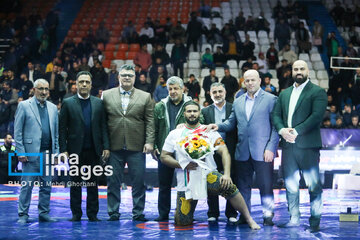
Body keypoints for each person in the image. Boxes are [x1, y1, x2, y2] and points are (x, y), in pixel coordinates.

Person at [160, 101, 260, 229]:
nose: (192, 114)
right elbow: (164, 156)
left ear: (199, 113)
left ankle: (249, 219)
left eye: (195, 111)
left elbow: (224, 152)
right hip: (186, 182)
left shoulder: (209, 131)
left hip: (208, 176)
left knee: (229, 186)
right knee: (182, 222)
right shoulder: (175, 133)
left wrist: (227, 174)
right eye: (189, 111)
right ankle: (179, 213)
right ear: (184, 113)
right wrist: (181, 164)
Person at [206, 70, 279, 226]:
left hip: (263, 151)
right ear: (243, 83)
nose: (250, 83)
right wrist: (217, 126)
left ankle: (268, 216)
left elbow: (276, 127)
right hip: (242, 152)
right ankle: (245, 217)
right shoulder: (238, 101)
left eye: (253, 80)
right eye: (247, 80)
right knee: (242, 187)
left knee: (265, 186)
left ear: (260, 80)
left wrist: (271, 148)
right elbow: (231, 123)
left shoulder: (272, 99)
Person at [271, 60, 327, 232]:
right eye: (296, 69)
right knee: (290, 185)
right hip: (288, 147)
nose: (299, 71)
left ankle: (315, 220)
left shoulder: (317, 92)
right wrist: (282, 130)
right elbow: (276, 115)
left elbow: (316, 116)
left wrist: (295, 131)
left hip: (308, 146)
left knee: (314, 185)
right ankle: (294, 218)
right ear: (292, 72)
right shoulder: (285, 93)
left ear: (308, 71)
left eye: (302, 68)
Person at [102, 64, 154, 222]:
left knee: (138, 181)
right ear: (118, 77)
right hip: (113, 147)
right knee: (112, 182)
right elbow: (102, 122)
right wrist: (104, 146)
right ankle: (113, 213)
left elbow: (150, 122)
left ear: (135, 78)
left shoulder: (145, 96)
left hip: (137, 147)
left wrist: (150, 141)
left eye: (130, 75)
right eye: (123, 75)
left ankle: (138, 213)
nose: (126, 78)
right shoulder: (106, 95)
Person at [59, 71, 110, 222]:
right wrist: (63, 150)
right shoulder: (68, 102)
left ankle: (92, 214)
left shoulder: (99, 103)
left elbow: (103, 127)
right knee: (75, 184)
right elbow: (62, 129)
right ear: (76, 83)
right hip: (75, 151)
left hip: (94, 151)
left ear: (91, 85)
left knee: (93, 184)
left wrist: (106, 147)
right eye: (81, 82)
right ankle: (76, 214)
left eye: (87, 82)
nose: (84, 85)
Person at [14, 79, 59, 224]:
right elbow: (18, 131)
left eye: (46, 89)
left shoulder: (53, 108)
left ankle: (44, 213)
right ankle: (23, 214)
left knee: (46, 186)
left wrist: (56, 153)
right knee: (27, 187)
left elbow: (56, 134)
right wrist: (20, 152)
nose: (44, 92)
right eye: (41, 89)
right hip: (30, 154)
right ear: (34, 89)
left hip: (47, 153)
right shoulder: (24, 105)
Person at [153, 76, 193, 221]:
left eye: (176, 88)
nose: (173, 91)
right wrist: (155, 146)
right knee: (164, 184)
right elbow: (154, 129)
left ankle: (186, 214)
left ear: (183, 89)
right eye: (170, 89)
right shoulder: (160, 106)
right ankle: (163, 214)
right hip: (165, 152)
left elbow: (199, 124)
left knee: (187, 185)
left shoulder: (191, 105)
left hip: (185, 152)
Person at [201, 83, 238, 223]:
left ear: (225, 92)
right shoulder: (205, 111)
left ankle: (231, 213)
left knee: (231, 180)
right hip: (212, 152)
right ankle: (213, 213)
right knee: (211, 181)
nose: (217, 94)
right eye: (214, 92)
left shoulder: (233, 107)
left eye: (220, 91)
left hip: (231, 150)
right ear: (210, 94)